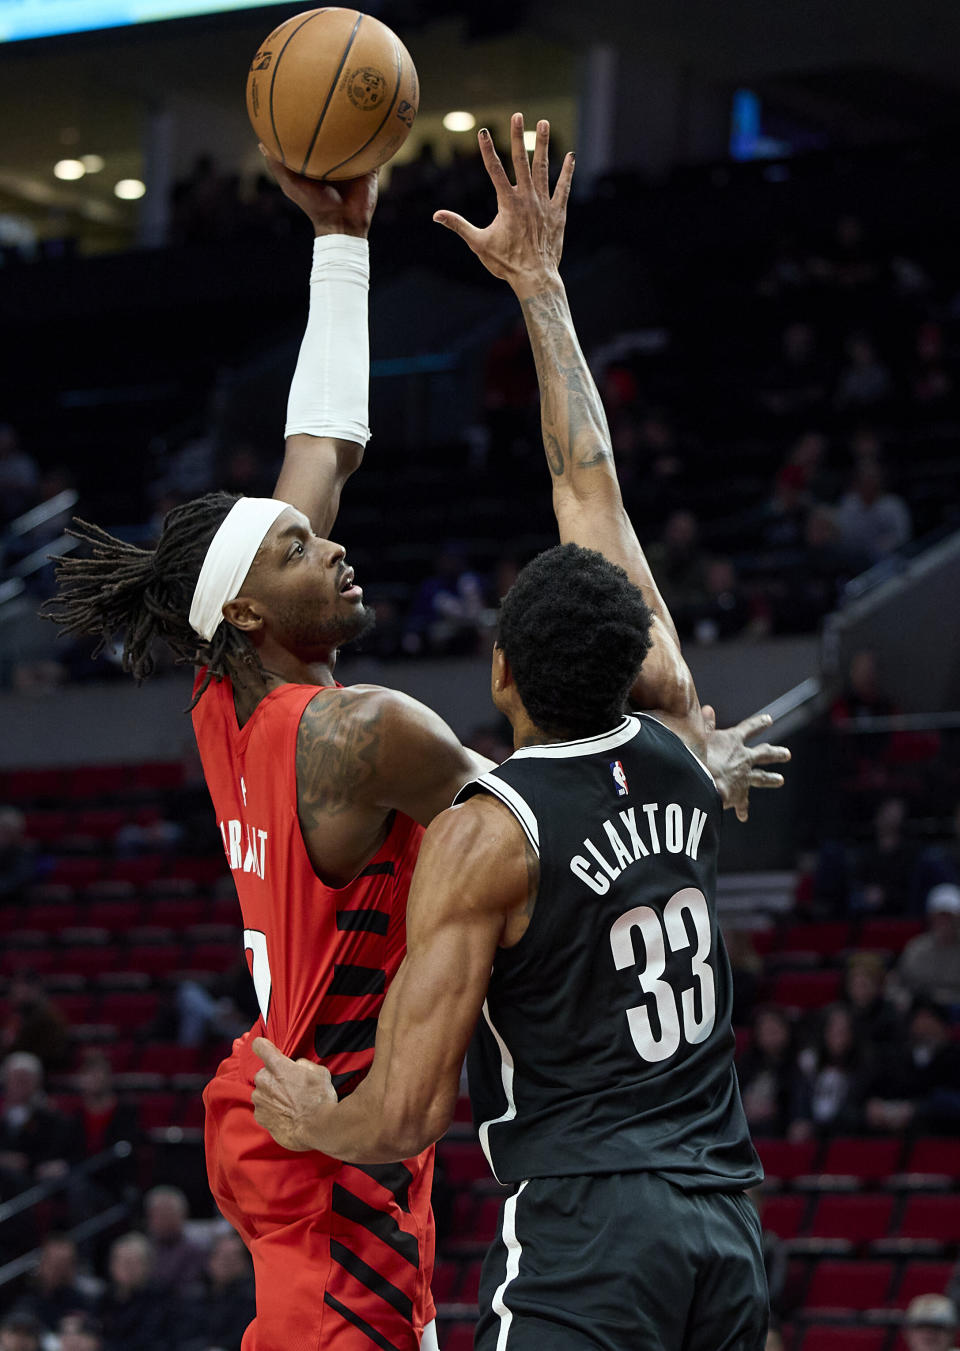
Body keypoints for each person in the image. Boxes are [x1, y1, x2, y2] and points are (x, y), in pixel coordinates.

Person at [45, 115, 786, 1351]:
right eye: (296, 548)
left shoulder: (225, 691)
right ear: (243, 608)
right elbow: (558, 807)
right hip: (334, 1134)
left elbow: (324, 447)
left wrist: (342, 244)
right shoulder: (368, 728)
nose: (330, 540)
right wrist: (693, 774)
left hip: (321, 1098)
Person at [142, 1186, 206, 1293]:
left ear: (183, 1216)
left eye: (168, 1215)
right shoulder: (141, 1249)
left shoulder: (194, 1252)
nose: (163, 1221)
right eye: (158, 1215)